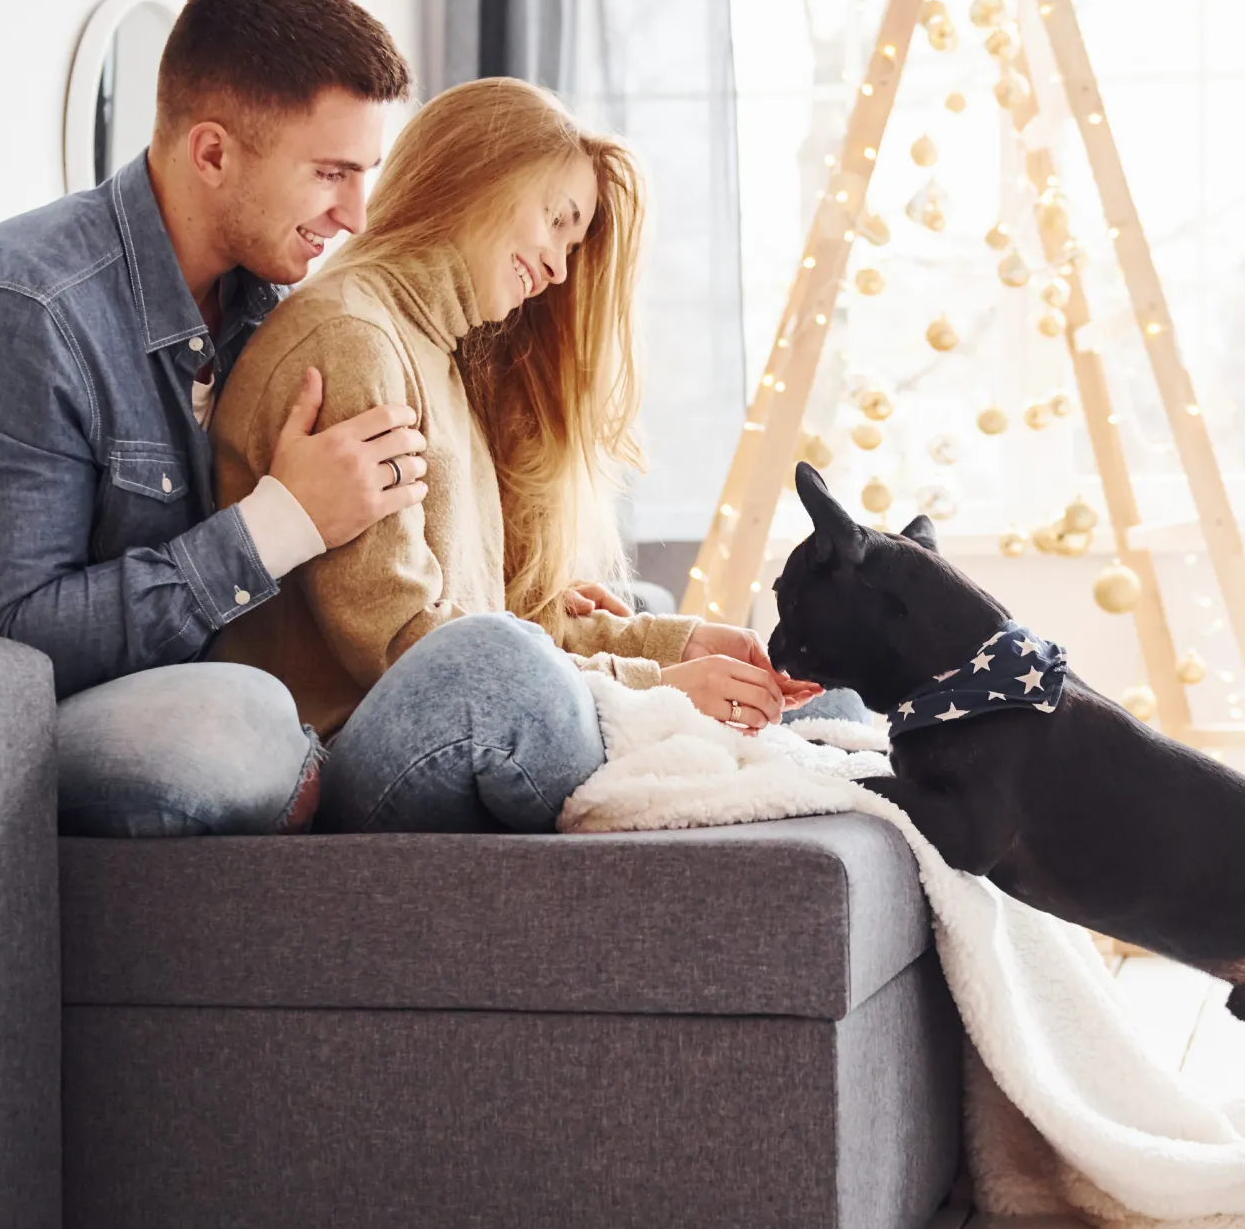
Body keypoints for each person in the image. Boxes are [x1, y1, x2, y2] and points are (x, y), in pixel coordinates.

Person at [0, 0, 429, 835]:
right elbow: (6, 644)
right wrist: (280, 523)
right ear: (212, 152)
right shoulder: (25, 308)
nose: (355, 215)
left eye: (366, 174)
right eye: (329, 173)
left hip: (190, 690)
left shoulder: (268, 309)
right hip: (1, 726)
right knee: (235, 723)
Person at [208, 77, 817, 833]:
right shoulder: (353, 341)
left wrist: (675, 647)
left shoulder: (436, 355)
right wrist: (655, 688)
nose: (560, 269)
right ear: (478, 175)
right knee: (498, 666)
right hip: (340, 754)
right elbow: (410, 646)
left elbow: (488, 613)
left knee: (824, 691)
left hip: (441, 709)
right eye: (558, 221)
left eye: (573, 243)